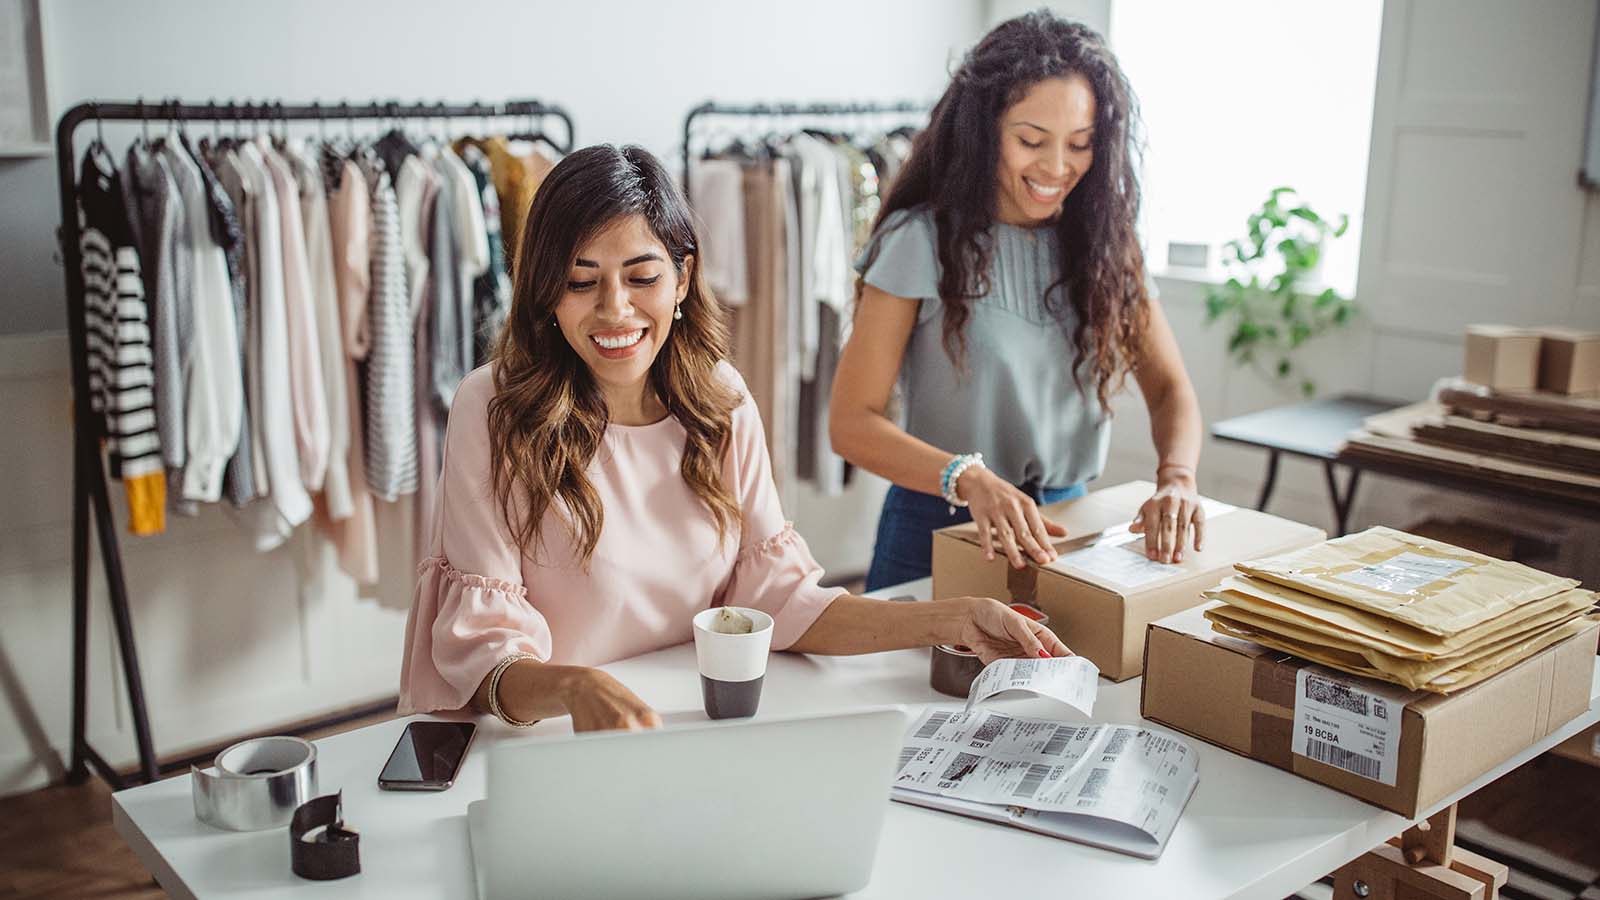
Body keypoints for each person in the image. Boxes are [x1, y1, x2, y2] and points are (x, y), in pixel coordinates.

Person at [398, 144, 1068, 733]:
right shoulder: (492, 406)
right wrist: (575, 688)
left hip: (683, 728)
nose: (614, 309)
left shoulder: (718, 401)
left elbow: (781, 597)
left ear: (683, 278)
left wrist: (951, 620)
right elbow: (485, 657)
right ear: (546, 291)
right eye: (581, 281)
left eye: (642, 277)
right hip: (544, 735)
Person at [830, 11, 1206, 592]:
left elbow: (1170, 389)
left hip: (1068, 530)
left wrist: (1177, 479)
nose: (1057, 168)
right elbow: (851, 424)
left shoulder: (1107, 248)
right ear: (984, 134)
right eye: (1031, 141)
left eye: (1080, 145)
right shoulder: (919, 240)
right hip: (941, 523)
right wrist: (966, 476)